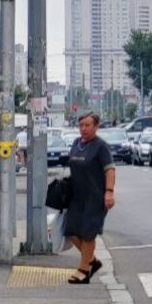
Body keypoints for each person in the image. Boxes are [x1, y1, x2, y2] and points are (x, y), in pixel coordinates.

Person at [64, 112, 116, 284]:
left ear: (96, 127)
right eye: (81, 125)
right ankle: (92, 261)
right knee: (70, 231)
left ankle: (83, 270)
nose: (83, 129)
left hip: (95, 198)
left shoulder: (101, 146)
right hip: (77, 196)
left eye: (87, 125)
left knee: (88, 235)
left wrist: (109, 192)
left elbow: (110, 170)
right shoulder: (76, 144)